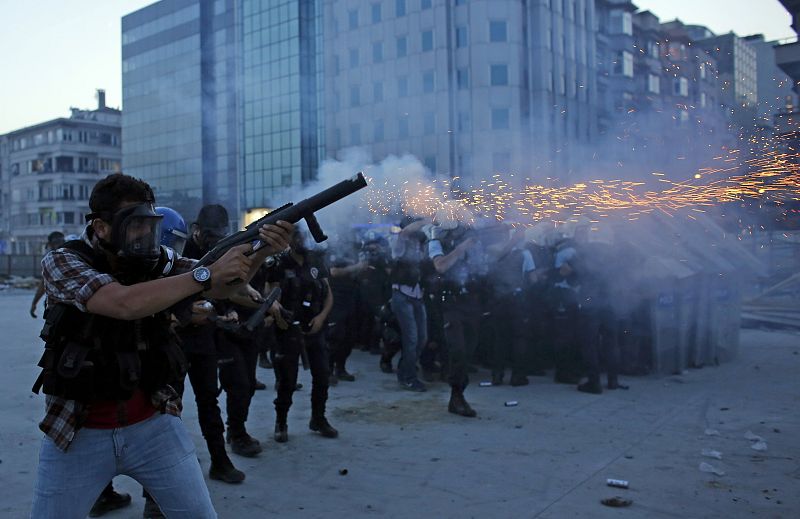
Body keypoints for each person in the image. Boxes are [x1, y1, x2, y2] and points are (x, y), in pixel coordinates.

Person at [31, 173, 292, 518]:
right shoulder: (63, 260)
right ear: (102, 227)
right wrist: (205, 276)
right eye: (134, 224)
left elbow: (221, 285)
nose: (145, 234)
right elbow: (122, 303)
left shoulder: (157, 259)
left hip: (152, 425)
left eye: (149, 224)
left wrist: (261, 251)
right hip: (79, 432)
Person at [176, 204, 262, 466]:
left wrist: (226, 311)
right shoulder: (179, 253)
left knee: (209, 399)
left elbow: (224, 288)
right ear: (196, 231)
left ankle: (220, 459)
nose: (214, 242)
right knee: (169, 407)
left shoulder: (218, 254)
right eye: (211, 236)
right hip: (177, 339)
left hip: (206, 338)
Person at [268, 229, 338, 442]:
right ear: (290, 239)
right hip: (288, 329)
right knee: (287, 380)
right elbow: (269, 294)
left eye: (304, 237)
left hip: (314, 328)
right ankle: (281, 422)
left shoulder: (316, 260)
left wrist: (321, 318)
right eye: (298, 237)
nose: (302, 241)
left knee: (322, 375)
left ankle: (318, 418)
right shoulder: (279, 263)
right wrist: (278, 313)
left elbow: (328, 295)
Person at [426, 212, 486, 417]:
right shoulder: (436, 242)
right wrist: (462, 248)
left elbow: (481, 268)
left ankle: (459, 393)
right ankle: (456, 395)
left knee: (469, 348)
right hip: (449, 302)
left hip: (469, 300)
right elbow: (441, 266)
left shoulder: (470, 242)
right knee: (458, 349)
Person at [486, 226, 538, 386]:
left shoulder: (493, 251)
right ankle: (517, 376)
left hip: (499, 299)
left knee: (500, 339)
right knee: (519, 338)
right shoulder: (525, 253)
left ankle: (497, 375)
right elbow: (533, 279)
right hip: (517, 299)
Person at [389, 217, 431, 391]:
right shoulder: (398, 242)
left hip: (417, 295)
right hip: (402, 295)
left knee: (422, 338)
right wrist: (428, 219)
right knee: (412, 338)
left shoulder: (420, 245)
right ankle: (409, 377)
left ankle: (404, 369)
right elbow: (405, 233)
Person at [30, 232, 65, 318]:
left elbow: (43, 283)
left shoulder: (51, 259)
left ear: (50, 244)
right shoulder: (75, 254)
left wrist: (34, 303)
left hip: (59, 308)